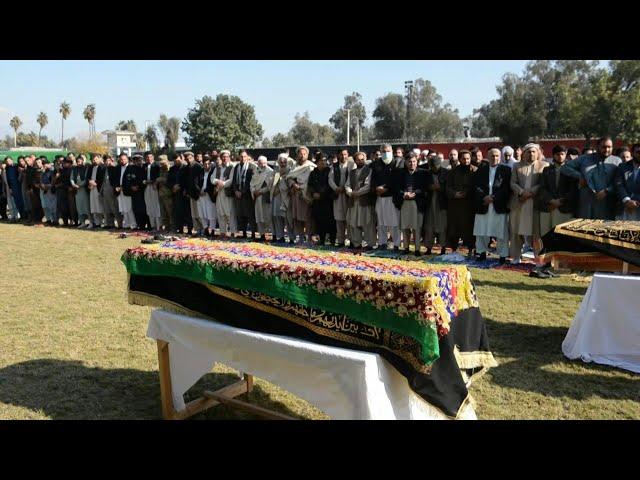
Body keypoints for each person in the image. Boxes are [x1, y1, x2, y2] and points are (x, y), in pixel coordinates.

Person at [561, 136, 622, 220]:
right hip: (586, 202)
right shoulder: (585, 158)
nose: (607, 150)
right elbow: (565, 167)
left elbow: (620, 181)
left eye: (609, 147)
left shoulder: (617, 161)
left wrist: (607, 191)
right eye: (604, 147)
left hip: (607, 202)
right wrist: (580, 177)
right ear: (597, 147)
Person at [473, 148, 512, 263]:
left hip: (498, 204)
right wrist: (484, 197)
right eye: (492, 156)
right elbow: (476, 186)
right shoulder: (481, 169)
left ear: (500, 157)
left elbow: (506, 188)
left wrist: (493, 197)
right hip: (483, 204)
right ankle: (481, 252)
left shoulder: (506, 170)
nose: (495, 158)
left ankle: (503, 255)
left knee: (501, 231)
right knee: (481, 229)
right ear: (488, 156)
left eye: (497, 156)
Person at [509, 143, 546, 263]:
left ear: (538, 153)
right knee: (516, 231)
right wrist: (521, 192)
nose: (531, 154)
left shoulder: (544, 166)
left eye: (534, 152)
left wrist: (530, 192)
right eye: (529, 152)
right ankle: (515, 256)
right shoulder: (516, 166)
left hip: (535, 204)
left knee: (536, 232)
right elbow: (512, 183)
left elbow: (542, 184)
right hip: (519, 203)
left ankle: (537, 257)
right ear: (524, 153)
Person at [536, 145, 576, 236]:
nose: (560, 156)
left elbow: (573, 190)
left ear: (566, 155)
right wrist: (552, 201)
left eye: (562, 154)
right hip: (548, 207)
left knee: (562, 236)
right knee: (546, 235)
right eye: (557, 154)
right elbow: (542, 188)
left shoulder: (571, 170)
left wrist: (560, 201)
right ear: (553, 155)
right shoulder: (547, 170)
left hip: (564, 207)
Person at [394, 152, 428, 256]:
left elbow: (425, 188)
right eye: (410, 162)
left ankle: (417, 249)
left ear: (417, 162)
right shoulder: (400, 173)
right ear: (405, 162)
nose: (412, 164)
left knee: (417, 227)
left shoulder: (423, 173)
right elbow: (396, 188)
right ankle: (406, 247)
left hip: (417, 203)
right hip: (405, 202)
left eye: (414, 161)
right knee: (405, 227)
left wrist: (415, 193)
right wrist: (404, 194)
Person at [445, 149, 476, 255]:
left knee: (470, 228)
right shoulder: (453, 171)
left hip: (469, 205)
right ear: (459, 159)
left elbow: (476, 187)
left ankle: (471, 249)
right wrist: (454, 194)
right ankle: (453, 248)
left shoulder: (475, 171)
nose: (466, 161)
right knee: (454, 227)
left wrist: (466, 192)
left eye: (468, 159)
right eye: (464, 159)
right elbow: (448, 187)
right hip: (455, 205)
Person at [371, 143, 401, 250]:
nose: (386, 153)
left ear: (392, 151)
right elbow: (372, 179)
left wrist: (386, 188)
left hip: (391, 197)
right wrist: (376, 188)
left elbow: (398, 181)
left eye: (388, 151)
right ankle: (382, 243)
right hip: (379, 197)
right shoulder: (376, 164)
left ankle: (396, 244)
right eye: (384, 151)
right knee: (381, 222)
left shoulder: (397, 163)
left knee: (394, 222)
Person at [345, 151, 376, 250]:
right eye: (358, 160)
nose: (360, 161)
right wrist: (350, 193)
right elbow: (347, 185)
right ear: (355, 161)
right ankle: (356, 243)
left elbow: (368, 185)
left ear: (365, 159)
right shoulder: (352, 172)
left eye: (362, 159)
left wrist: (357, 193)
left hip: (364, 201)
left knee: (367, 223)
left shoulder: (369, 170)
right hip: (354, 201)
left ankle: (370, 244)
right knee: (353, 223)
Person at [286, 146, 316, 243]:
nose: (302, 156)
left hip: (306, 195)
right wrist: (293, 184)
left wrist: (302, 187)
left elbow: (312, 181)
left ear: (307, 155)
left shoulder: (311, 166)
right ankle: (300, 236)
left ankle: (308, 236)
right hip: (296, 195)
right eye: (300, 154)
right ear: (297, 154)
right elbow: (289, 177)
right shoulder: (294, 166)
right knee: (297, 218)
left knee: (307, 218)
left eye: (304, 154)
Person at [307, 154, 336, 246]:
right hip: (317, 201)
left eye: (324, 160)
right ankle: (322, 240)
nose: (323, 162)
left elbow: (330, 185)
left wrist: (321, 194)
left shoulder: (330, 171)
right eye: (321, 161)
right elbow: (310, 185)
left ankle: (332, 241)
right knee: (319, 222)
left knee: (331, 222)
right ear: (317, 162)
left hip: (328, 200)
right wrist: (313, 193)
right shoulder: (313, 172)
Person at [423, 153, 448, 255]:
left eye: (436, 166)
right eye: (432, 166)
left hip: (442, 204)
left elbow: (448, 187)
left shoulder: (446, 173)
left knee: (442, 226)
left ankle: (443, 247)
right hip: (429, 204)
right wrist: (429, 188)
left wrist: (440, 188)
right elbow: (423, 186)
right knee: (429, 227)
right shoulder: (426, 174)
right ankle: (428, 248)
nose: (434, 168)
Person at [231, 150, 258, 239]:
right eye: (241, 156)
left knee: (250, 215)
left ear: (247, 157)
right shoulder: (236, 167)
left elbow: (252, 181)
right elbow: (234, 181)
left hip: (247, 195)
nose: (243, 158)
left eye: (244, 156)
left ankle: (253, 234)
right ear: (239, 157)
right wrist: (236, 191)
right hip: (238, 195)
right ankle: (243, 233)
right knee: (240, 214)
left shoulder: (252, 167)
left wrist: (242, 192)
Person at [211, 149, 237, 238]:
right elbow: (212, 179)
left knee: (230, 212)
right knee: (221, 212)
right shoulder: (217, 167)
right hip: (219, 193)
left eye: (226, 157)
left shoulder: (232, 167)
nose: (224, 158)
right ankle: (223, 232)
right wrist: (218, 182)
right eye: (223, 157)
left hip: (228, 192)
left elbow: (231, 179)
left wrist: (223, 184)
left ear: (229, 157)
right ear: (221, 158)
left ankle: (233, 232)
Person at [328, 149, 350, 247]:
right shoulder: (333, 167)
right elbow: (330, 179)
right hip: (338, 195)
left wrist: (345, 187)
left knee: (349, 219)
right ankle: (340, 241)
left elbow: (351, 179)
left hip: (348, 195)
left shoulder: (351, 166)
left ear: (348, 155)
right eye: (341, 154)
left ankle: (351, 241)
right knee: (339, 219)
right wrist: (336, 188)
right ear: (338, 155)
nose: (343, 156)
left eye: (345, 154)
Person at [250, 155, 274, 242]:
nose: (263, 165)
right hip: (257, 197)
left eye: (264, 163)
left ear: (266, 163)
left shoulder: (270, 171)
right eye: (260, 163)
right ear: (258, 163)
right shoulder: (256, 171)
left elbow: (269, 186)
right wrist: (253, 191)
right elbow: (252, 183)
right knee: (259, 216)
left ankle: (272, 235)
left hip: (265, 197)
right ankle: (262, 234)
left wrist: (260, 191)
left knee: (267, 216)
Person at [270, 154, 293, 243]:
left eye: (284, 162)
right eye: (281, 162)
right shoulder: (276, 172)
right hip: (276, 198)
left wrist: (281, 189)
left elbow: (290, 184)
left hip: (286, 198)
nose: (283, 164)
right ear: (278, 162)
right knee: (277, 217)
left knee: (288, 218)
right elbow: (271, 184)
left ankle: (291, 238)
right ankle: (281, 237)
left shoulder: (290, 171)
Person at [615, 143, 640, 221]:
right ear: (632, 153)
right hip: (624, 208)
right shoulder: (622, 167)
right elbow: (619, 185)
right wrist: (627, 201)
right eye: (638, 152)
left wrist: (635, 203)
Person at [168, 153, 191, 234]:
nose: (176, 162)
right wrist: (173, 187)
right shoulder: (172, 169)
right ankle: (180, 229)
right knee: (178, 212)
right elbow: (169, 181)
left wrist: (181, 186)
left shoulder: (186, 168)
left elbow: (188, 180)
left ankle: (189, 230)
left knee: (187, 212)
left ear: (181, 159)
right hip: (176, 193)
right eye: (175, 161)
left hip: (184, 193)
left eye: (177, 160)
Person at [114, 153, 137, 230]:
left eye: (124, 159)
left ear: (127, 159)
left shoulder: (131, 168)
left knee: (129, 209)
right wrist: (116, 187)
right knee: (123, 209)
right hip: (119, 191)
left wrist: (125, 187)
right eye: (121, 159)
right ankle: (126, 224)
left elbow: (133, 180)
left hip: (128, 191)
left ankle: (133, 225)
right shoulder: (117, 168)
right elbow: (115, 179)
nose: (122, 161)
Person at [196, 155, 216, 237]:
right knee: (202, 213)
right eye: (205, 164)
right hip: (201, 196)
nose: (206, 166)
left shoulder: (213, 171)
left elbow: (212, 184)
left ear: (210, 164)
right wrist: (199, 190)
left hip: (209, 195)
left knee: (211, 213)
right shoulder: (200, 171)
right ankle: (206, 229)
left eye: (208, 164)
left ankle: (212, 230)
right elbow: (195, 182)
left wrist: (205, 190)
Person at [101, 154, 123, 229]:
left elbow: (116, 179)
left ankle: (120, 224)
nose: (107, 162)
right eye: (105, 161)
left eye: (108, 161)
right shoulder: (104, 169)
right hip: (105, 189)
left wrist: (115, 190)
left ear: (111, 160)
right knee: (107, 208)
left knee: (114, 208)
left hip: (112, 189)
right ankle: (110, 224)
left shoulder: (114, 168)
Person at [185, 151, 204, 236]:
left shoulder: (198, 166)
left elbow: (200, 180)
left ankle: (203, 229)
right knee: (194, 214)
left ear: (193, 157)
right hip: (191, 194)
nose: (188, 160)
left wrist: (199, 190)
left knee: (200, 213)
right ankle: (197, 229)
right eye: (187, 158)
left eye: (190, 158)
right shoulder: (187, 167)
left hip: (198, 193)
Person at [142, 152, 162, 233]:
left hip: (154, 187)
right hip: (147, 188)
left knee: (156, 206)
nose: (149, 159)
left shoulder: (157, 166)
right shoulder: (144, 166)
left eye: (150, 157)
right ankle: (152, 226)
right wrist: (144, 182)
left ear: (153, 157)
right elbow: (142, 177)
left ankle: (159, 226)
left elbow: (159, 176)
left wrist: (153, 182)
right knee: (149, 206)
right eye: (147, 157)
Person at [71, 154, 90, 228]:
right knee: (79, 207)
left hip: (83, 190)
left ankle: (91, 222)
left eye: (80, 161)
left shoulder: (86, 168)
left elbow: (86, 179)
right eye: (77, 161)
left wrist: (80, 185)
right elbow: (71, 178)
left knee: (86, 206)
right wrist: (73, 185)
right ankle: (82, 222)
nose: (79, 163)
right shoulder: (74, 169)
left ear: (82, 161)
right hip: (77, 190)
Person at [156, 155, 173, 232]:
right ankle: (166, 227)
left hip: (168, 193)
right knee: (163, 212)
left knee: (170, 211)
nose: (161, 165)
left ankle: (172, 227)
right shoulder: (160, 169)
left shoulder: (170, 169)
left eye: (162, 163)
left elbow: (170, 180)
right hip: (161, 193)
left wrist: (161, 179)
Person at [54, 156, 73, 226]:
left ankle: (72, 221)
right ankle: (65, 222)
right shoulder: (61, 170)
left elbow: (70, 180)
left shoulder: (72, 170)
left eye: (67, 163)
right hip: (62, 190)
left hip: (69, 190)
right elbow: (58, 180)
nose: (65, 164)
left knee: (70, 207)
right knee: (63, 207)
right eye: (64, 163)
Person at [87, 154, 105, 228]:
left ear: (99, 159)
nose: (94, 161)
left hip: (99, 189)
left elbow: (102, 178)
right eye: (93, 160)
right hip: (92, 188)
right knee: (94, 206)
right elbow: (88, 177)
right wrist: (90, 182)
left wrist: (95, 183)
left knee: (100, 206)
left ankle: (102, 222)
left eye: (96, 159)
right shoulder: (90, 167)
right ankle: (97, 222)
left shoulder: (102, 167)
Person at [40, 158, 57, 225]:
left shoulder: (53, 170)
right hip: (45, 191)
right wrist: (43, 186)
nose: (45, 165)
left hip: (52, 190)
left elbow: (53, 181)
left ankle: (55, 220)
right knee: (48, 206)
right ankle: (50, 220)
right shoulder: (43, 172)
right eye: (43, 164)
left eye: (46, 164)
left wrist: (48, 186)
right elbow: (41, 180)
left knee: (54, 206)